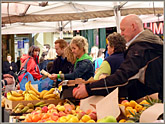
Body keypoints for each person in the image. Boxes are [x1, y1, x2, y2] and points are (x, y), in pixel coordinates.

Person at [72, 14, 163, 101]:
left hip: (151, 101)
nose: (122, 34)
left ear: (133, 26)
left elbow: (123, 77)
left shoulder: (140, 48)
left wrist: (89, 89)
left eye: (123, 30)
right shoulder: (152, 44)